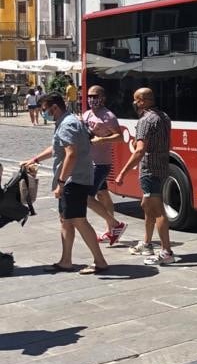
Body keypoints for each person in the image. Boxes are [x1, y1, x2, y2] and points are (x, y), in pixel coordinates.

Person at [21, 92, 109, 274]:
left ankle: (100, 261)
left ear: (55, 107)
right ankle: (66, 260)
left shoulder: (68, 124)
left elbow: (71, 153)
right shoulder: (67, 121)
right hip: (75, 178)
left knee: (78, 220)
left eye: (45, 110)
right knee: (66, 220)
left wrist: (61, 182)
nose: (44, 113)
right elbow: (57, 148)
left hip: (73, 180)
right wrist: (35, 159)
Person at [115, 87, 177, 265]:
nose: (134, 103)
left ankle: (166, 252)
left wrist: (122, 172)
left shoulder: (145, 120)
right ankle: (147, 243)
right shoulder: (163, 117)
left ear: (141, 100)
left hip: (149, 170)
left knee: (157, 210)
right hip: (162, 167)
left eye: (135, 99)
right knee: (146, 205)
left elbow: (140, 150)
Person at [81, 85, 127, 245]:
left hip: (100, 163)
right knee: (103, 194)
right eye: (89, 96)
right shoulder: (86, 114)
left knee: (86, 197)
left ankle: (116, 225)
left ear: (103, 98)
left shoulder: (108, 116)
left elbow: (120, 137)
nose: (92, 99)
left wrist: (103, 140)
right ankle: (111, 231)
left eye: (95, 96)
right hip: (89, 161)